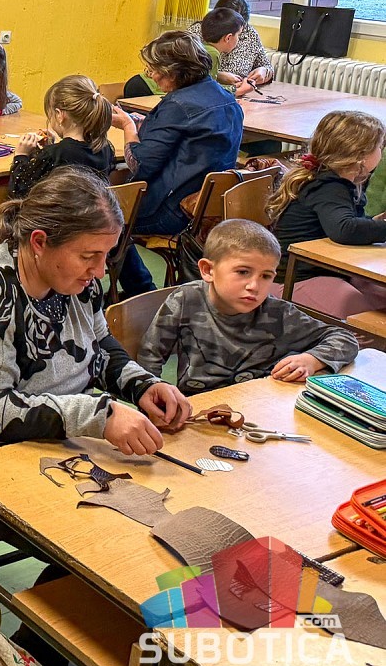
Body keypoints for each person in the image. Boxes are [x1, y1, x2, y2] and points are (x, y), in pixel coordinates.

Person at [0, 168, 189, 666]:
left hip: (33, 431)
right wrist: (97, 414)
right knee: (91, 536)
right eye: (89, 256)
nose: (100, 270)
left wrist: (143, 384)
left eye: (107, 256)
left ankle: (80, 643)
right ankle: (38, 657)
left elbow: (97, 345)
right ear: (39, 242)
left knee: (145, 516)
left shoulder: (76, 276)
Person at [137, 219, 357, 394]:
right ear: (208, 270)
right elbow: (150, 356)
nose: (254, 286)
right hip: (198, 410)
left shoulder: (277, 312)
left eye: (266, 276)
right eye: (243, 272)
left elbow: (344, 338)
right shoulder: (186, 300)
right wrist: (152, 397)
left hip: (259, 407)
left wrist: (311, 360)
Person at [115, 31, 244, 295]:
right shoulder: (226, 98)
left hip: (170, 212)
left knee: (103, 219)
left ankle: (139, 291)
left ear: (174, 72)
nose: (151, 75)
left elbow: (140, 164)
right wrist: (149, 126)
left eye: (154, 69)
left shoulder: (176, 105)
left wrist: (128, 126)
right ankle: (140, 288)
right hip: (206, 209)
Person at [270, 110, 386, 317]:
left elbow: (343, 222)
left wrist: (373, 222)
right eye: (379, 146)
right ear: (360, 155)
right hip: (294, 280)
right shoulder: (329, 186)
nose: (382, 151)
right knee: (366, 317)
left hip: (322, 271)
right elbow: (344, 229)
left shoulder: (336, 180)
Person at [8, 75, 115, 199]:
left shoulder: (54, 154)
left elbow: (19, 191)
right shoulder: (105, 147)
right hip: (91, 211)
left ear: (59, 115)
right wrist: (50, 147)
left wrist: (21, 155)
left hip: (58, 212)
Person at [194, 0, 273, 98]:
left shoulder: (249, 33)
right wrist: (221, 77)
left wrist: (264, 71)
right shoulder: (200, 37)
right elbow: (206, 87)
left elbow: (266, 65)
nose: (239, 36)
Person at [198, 7, 245, 82]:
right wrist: (238, 87)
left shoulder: (202, 47)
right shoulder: (213, 54)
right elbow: (208, 86)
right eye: (238, 35)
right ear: (228, 38)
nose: (238, 39)